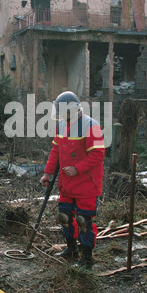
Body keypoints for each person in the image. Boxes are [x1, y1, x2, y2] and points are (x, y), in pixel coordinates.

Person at [40, 91, 105, 270]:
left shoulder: (91, 125)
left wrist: (77, 168)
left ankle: (87, 258)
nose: (63, 116)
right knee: (65, 217)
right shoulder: (61, 126)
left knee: (84, 222)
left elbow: (98, 154)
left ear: (74, 110)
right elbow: (56, 151)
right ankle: (71, 249)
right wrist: (48, 173)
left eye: (65, 112)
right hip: (66, 183)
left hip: (87, 184)